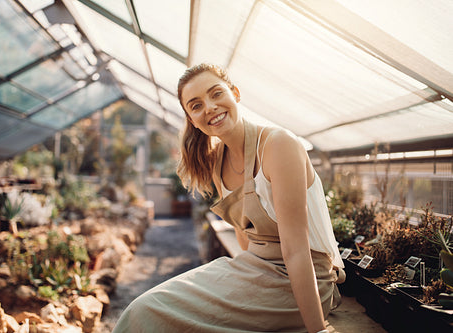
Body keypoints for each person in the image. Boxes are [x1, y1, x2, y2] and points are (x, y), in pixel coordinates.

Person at [113, 63, 345, 333]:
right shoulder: (217, 163)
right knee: (143, 309)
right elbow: (246, 241)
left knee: (156, 317)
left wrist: (318, 330)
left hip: (302, 282)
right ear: (191, 119)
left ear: (235, 93)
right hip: (255, 269)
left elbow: (296, 251)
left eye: (216, 94)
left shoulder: (278, 145)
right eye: (196, 105)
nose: (209, 107)